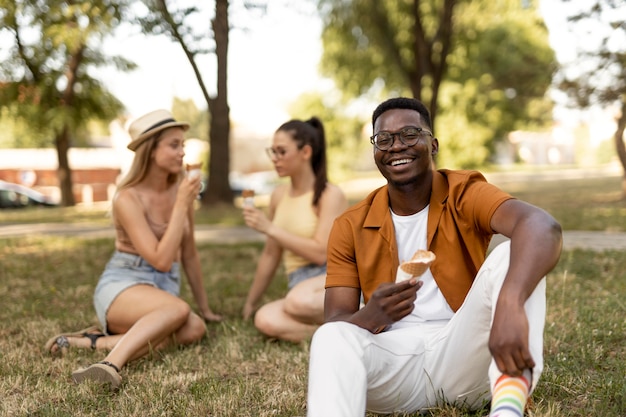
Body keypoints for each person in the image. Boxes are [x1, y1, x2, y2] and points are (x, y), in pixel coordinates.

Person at [306, 98, 563, 416]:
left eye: (410, 134)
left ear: (433, 143)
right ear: (375, 151)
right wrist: (371, 316)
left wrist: (509, 304)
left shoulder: (463, 192)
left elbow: (542, 226)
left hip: (464, 358)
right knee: (330, 336)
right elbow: (337, 320)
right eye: (383, 139)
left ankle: (507, 409)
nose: (396, 146)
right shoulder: (350, 224)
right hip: (392, 369)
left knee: (513, 253)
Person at [44, 109, 222, 389]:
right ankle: (109, 364)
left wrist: (206, 308)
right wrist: (181, 205)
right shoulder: (127, 198)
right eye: (174, 145)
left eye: (183, 145)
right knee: (177, 310)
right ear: (150, 151)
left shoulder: (180, 192)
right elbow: (161, 260)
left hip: (162, 293)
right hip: (124, 284)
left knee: (195, 327)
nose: (182, 153)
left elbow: (188, 253)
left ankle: (91, 342)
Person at [242, 117, 348, 343]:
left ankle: (361, 312)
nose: (275, 159)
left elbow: (321, 253)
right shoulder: (279, 195)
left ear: (306, 152)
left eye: (281, 152)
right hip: (298, 287)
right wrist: (251, 302)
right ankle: (340, 335)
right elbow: (271, 254)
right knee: (265, 319)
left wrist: (270, 228)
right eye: (272, 151)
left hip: (331, 279)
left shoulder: (330, 195)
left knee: (297, 302)